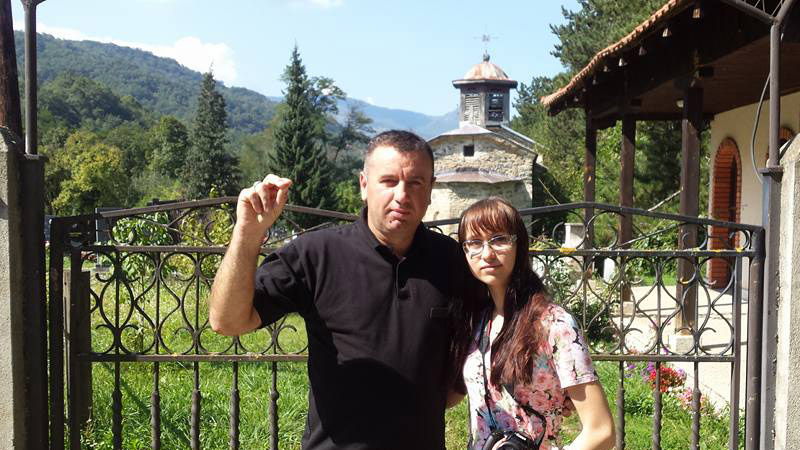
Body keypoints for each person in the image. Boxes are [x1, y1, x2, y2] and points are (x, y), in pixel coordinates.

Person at [208, 130, 468, 450]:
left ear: (430, 190)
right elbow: (228, 321)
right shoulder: (316, 255)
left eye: (415, 183)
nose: (402, 195)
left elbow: (477, 343)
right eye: (388, 181)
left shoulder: (452, 260)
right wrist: (247, 233)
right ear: (364, 185)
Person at [448, 197, 615, 450]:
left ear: (519, 244)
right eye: (475, 243)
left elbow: (601, 431)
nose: (487, 253)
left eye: (499, 239)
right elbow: (453, 396)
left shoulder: (554, 324)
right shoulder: (476, 321)